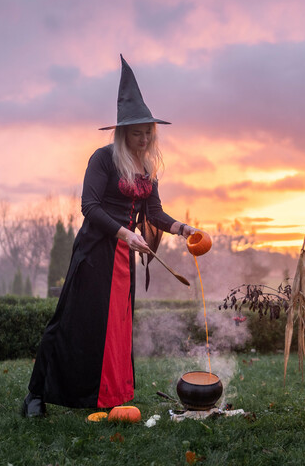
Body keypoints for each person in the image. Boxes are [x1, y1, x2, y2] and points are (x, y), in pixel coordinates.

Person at [23, 55, 196, 417]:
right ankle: (36, 394)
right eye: (138, 132)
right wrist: (123, 234)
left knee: (115, 327)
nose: (145, 137)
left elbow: (154, 214)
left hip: (122, 259)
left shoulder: (148, 170)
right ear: (122, 133)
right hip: (95, 251)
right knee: (72, 322)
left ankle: (108, 393)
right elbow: (89, 206)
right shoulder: (102, 159)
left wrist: (182, 229)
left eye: (149, 131)